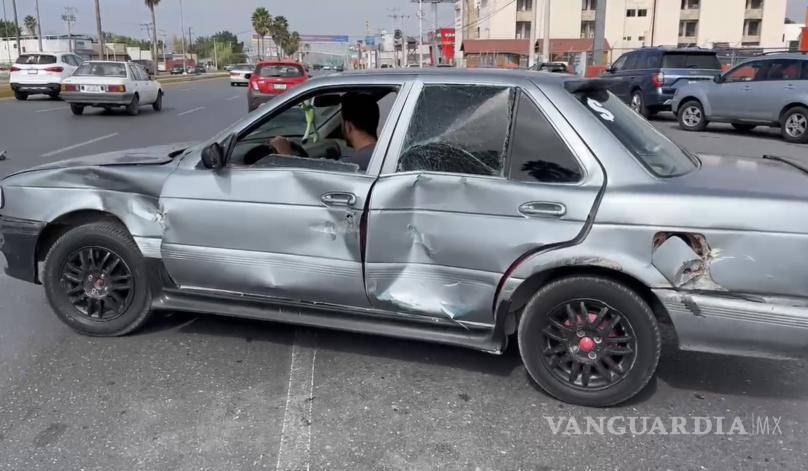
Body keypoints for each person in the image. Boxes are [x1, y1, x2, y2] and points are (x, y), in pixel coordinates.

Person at [271, 92, 379, 171]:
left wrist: (286, 154)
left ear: (348, 126)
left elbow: (304, 180)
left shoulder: (354, 166)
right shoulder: (378, 154)